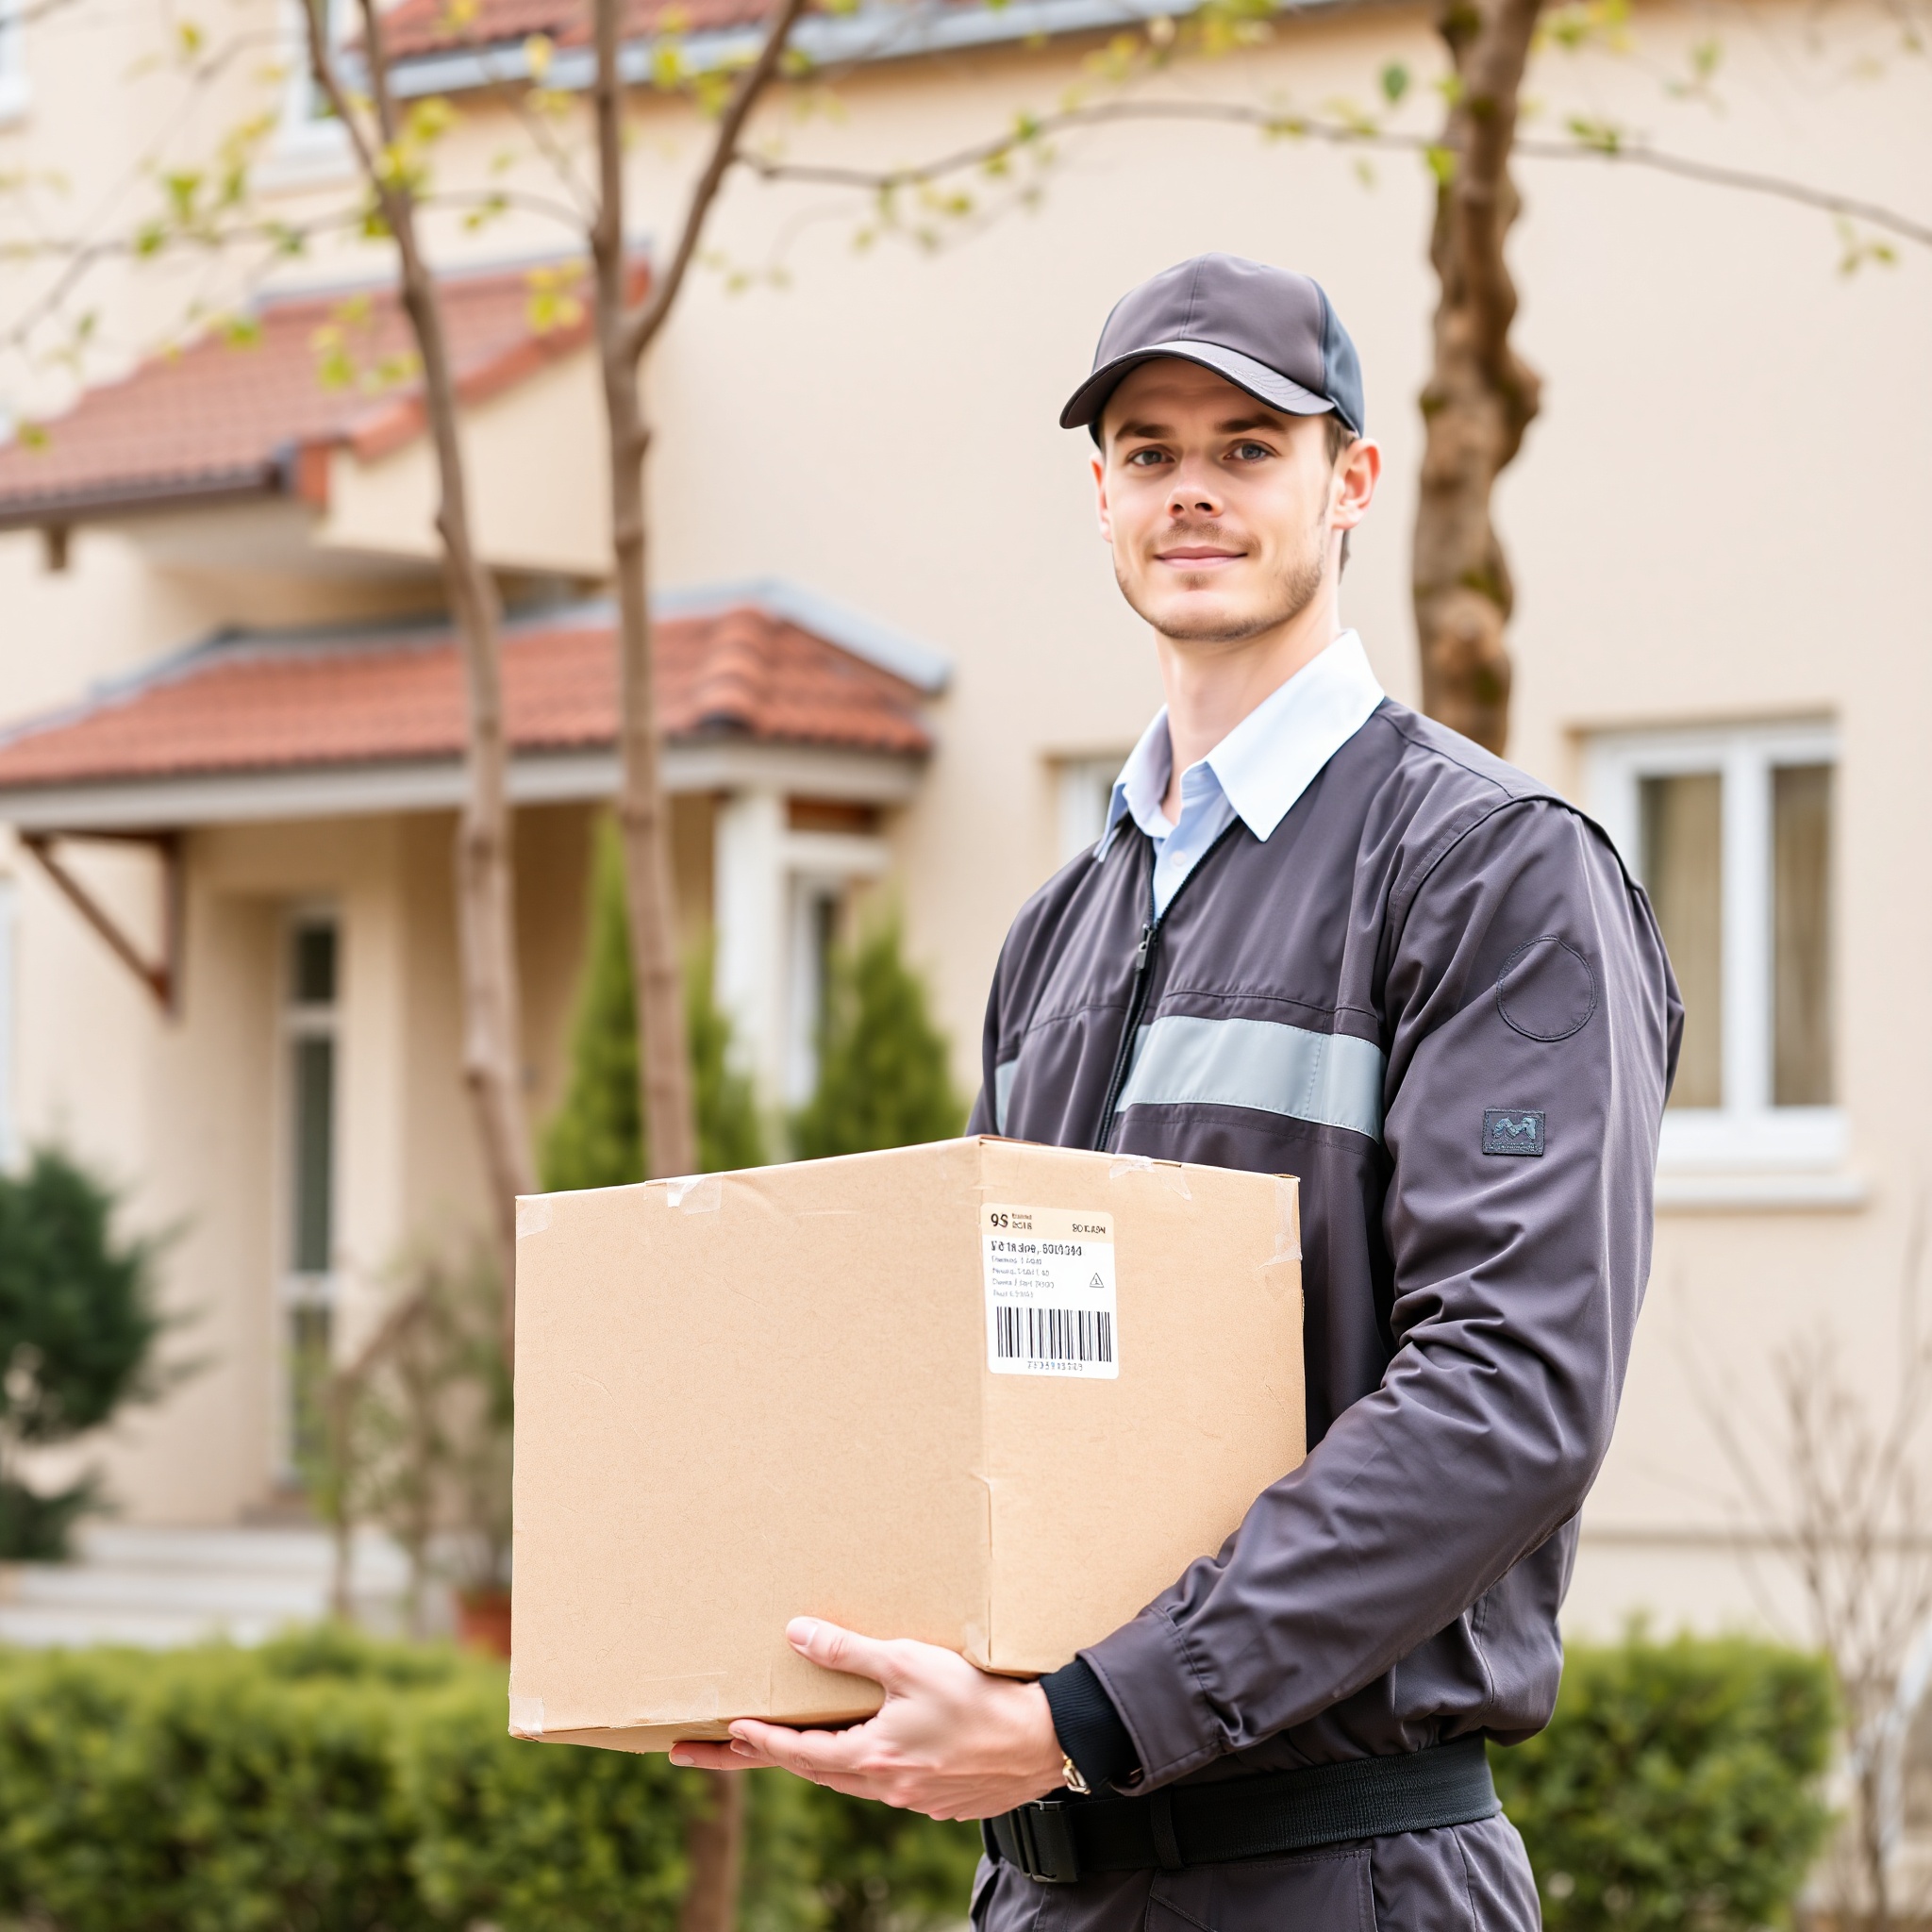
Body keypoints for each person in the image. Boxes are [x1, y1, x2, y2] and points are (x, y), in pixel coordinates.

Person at [672, 254, 1681, 1931]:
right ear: (1100, 496)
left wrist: (1090, 1715)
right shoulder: (1057, 931)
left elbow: (1510, 1390)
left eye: (1247, 446)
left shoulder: (1489, 874)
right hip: (1048, 1883)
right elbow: (1012, 1399)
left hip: (1337, 1878)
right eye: (1149, 452)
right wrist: (818, 1660)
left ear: (1352, 480)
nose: (1191, 491)